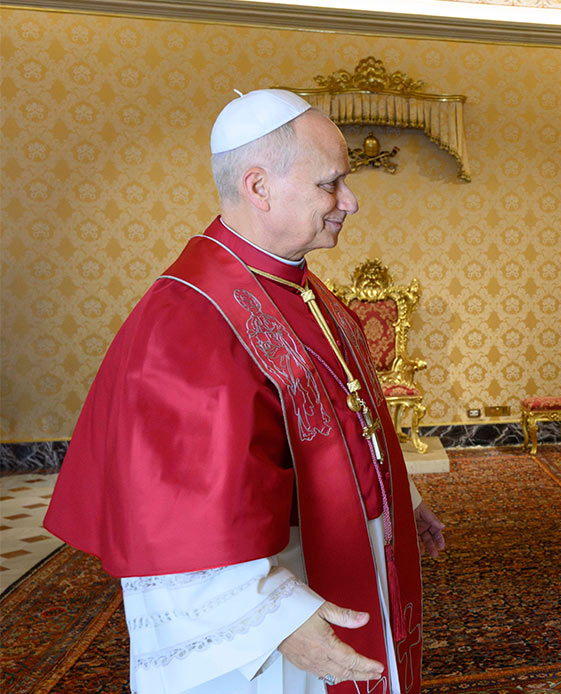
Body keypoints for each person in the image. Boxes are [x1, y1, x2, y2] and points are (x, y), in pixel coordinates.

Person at [44, 89, 446, 694]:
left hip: (344, 559)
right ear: (259, 187)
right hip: (269, 619)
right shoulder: (189, 318)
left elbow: (342, 422)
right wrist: (274, 618)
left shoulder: (309, 293)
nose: (351, 203)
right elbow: (178, 512)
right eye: (330, 184)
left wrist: (401, 499)